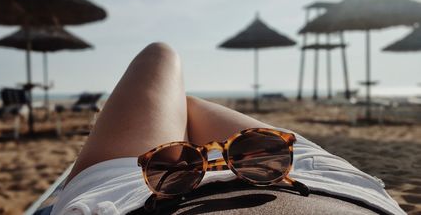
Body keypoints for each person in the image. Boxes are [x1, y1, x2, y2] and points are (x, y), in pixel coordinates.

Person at [51, 43, 404, 215]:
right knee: (180, 100)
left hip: (130, 198)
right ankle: (179, 122)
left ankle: (178, 120)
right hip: (308, 178)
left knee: (161, 59)